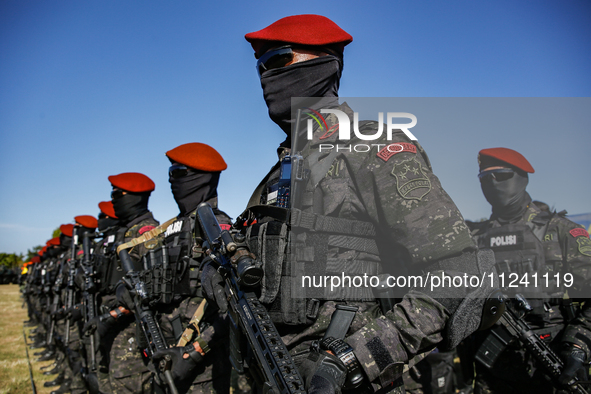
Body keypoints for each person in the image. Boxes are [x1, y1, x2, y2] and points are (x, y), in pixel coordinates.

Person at [201, 14, 497, 393]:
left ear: (324, 65)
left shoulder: (374, 148)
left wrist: (353, 360)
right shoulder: (278, 178)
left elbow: (459, 273)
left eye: (278, 61)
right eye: (260, 67)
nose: (265, 77)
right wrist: (217, 275)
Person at [466, 147, 591, 394]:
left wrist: (578, 345)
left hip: (552, 358)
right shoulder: (473, 240)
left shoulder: (561, 232)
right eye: (485, 178)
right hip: (494, 372)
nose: (492, 183)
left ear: (521, 177)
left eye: (501, 175)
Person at [130, 142, 233, 393]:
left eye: (177, 174)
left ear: (200, 178)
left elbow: (231, 305)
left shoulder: (217, 227)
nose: (171, 182)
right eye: (170, 174)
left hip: (199, 358)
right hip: (164, 345)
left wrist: (194, 353)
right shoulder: (171, 227)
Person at [106, 172, 161, 394]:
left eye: (118, 194)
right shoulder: (126, 231)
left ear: (134, 197)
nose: (113, 200)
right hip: (120, 319)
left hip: (134, 323)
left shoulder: (145, 231)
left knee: (129, 381)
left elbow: (152, 283)